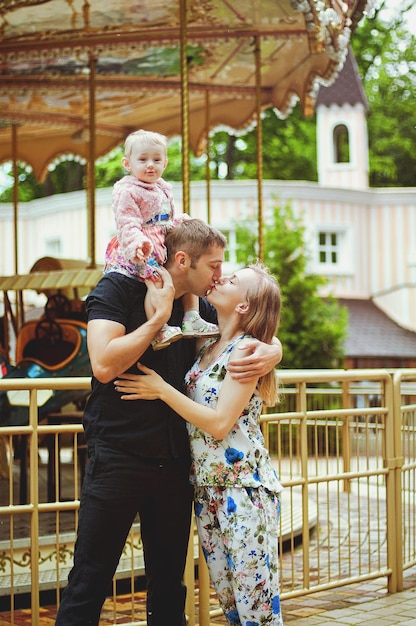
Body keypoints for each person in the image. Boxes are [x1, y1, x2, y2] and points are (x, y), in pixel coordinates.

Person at [54, 219, 283, 626]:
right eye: (214, 266)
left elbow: (253, 320)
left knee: (169, 588)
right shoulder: (118, 288)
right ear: (183, 260)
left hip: (178, 467)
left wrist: (273, 351)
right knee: (90, 578)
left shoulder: (200, 305)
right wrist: (156, 320)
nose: (218, 275)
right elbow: (104, 364)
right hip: (120, 456)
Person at [115, 261, 284, 626]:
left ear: (243, 305)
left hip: (244, 491)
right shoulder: (207, 341)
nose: (222, 277)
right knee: (231, 606)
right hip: (207, 491)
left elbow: (221, 423)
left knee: (258, 611)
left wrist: (161, 390)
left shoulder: (246, 351)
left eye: (234, 279)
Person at [104, 128, 218, 350]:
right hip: (140, 246)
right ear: (127, 164)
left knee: (186, 272)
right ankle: (159, 328)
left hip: (161, 240)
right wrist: (138, 244)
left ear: (164, 163)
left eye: (156, 159)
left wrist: (185, 222)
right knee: (155, 280)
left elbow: (168, 218)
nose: (150, 165)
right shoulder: (126, 190)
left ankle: (191, 317)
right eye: (143, 159)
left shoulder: (163, 188)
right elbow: (127, 222)